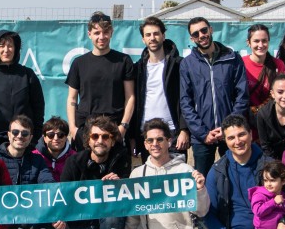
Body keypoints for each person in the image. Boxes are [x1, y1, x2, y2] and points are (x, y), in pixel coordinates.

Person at [203, 114, 285, 229]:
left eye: (241, 134)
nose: (238, 141)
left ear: (251, 134)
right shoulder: (217, 171)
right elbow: (209, 213)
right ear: (225, 141)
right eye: (231, 137)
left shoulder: (270, 165)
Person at [179, 17, 249, 177]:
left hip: (231, 133)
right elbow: (185, 102)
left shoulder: (232, 58)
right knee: (202, 180)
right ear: (192, 38)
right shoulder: (187, 64)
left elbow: (242, 95)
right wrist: (203, 133)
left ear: (210, 30)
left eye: (204, 30)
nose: (201, 35)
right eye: (196, 34)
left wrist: (228, 128)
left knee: (235, 177)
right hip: (203, 136)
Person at [61, 116, 132, 229]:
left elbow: (129, 198)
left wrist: (119, 185)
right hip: (81, 224)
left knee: (113, 216)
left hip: (107, 224)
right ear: (88, 140)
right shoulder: (73, 162)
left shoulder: (121, 160)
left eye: (105, 137)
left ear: (112, 142)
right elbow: (63, 196)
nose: (100, 140)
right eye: (95, 136)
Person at [124, 118, 208, 229]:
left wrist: (200, 190)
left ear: (169, 141)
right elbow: (133, 217)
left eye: (159, 139)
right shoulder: (137, 174)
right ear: (145, 145)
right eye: (150, 140)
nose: (155, 144)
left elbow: (201, 211)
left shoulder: (186, 171)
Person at [65, 11, 136, 149]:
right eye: (97, 33)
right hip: (85, 128)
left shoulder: (123, 61)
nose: (101, 37)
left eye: (105, 32)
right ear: (89, 34)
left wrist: (123, 126)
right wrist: (73, 128)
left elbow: (130, 97)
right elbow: (72, 99)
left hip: (114, 128)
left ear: (111, 33)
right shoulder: (79, 63)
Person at [0, 29, 45, 144]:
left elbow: (38, 109)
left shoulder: (28, 75)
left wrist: (35, 137)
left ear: (16, 49)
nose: (6, 50)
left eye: (10, 46)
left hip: (23, 141)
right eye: (2, 46)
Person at [131, 16, 189, 160]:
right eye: (148, 35)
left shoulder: (179, 65)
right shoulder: (137, 68)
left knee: (177, 177)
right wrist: (133, 136)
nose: (153, 38)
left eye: (156, 33)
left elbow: (186, 99)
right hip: (147, 133)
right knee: (152, 180)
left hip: (173, 133)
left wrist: (184, 129)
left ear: (163, 36)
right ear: (143, 39)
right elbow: (134, 103)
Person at [242, 24, 285, 138]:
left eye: (264, 41)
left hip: (269, 122)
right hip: (246, 122)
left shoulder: (278, 65)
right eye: (256, 41)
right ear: (248, 42)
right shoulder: (240, 64)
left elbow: (280, 94)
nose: (260, 45)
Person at [0, 115, 56, 186]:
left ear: (30, 138)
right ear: (9, 135)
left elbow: (48, 183)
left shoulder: (38, 160)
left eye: (25, 133)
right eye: (15, 132)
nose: (19, 136)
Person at [255, 74, 285, 161]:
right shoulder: (263, 115)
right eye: (280, 92)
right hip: (272, 161)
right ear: (272, 94)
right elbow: (265, 146)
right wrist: (276, 166)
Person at [32, 116, 78, 181]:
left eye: (60, 135)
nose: (56, 138)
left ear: (66, 137)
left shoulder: (75, 158)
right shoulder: (33, 156)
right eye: (51, 135)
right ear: (44, 138)